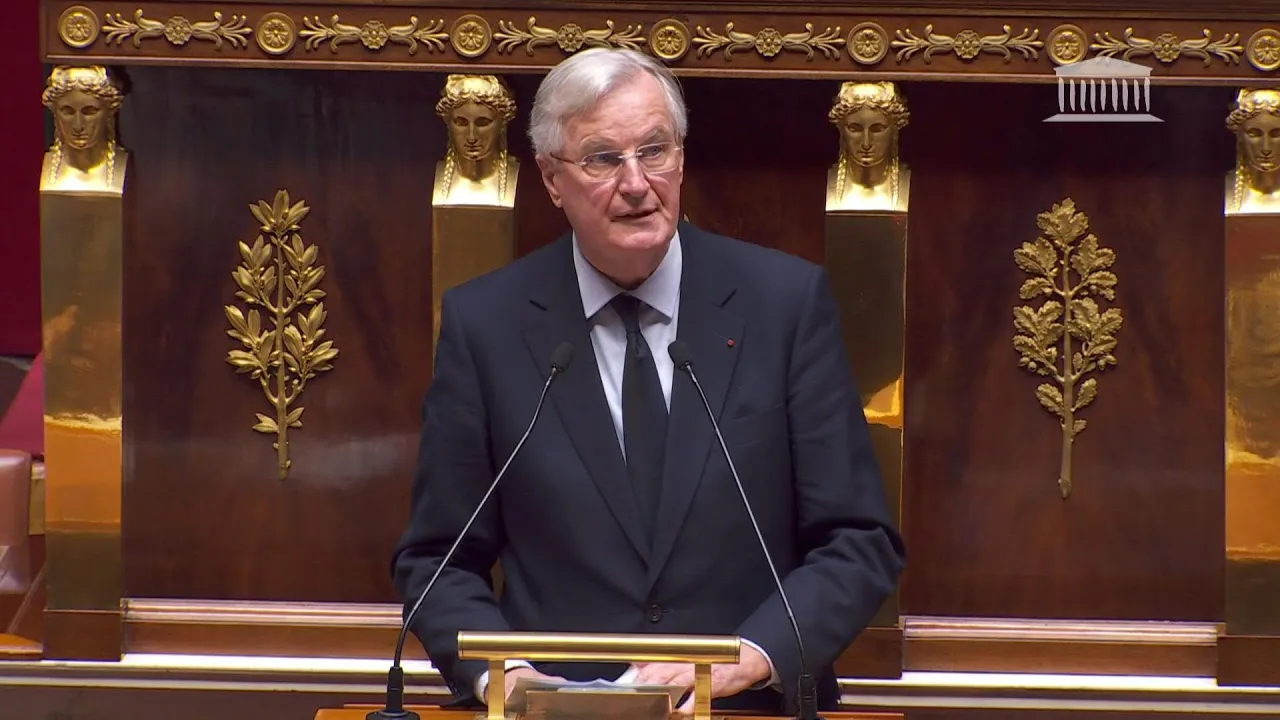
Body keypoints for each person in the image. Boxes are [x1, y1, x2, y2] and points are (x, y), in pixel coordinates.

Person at [392, 47, 905, 715]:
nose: (636, 183)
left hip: (743, 708)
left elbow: (858, 542)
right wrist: (506, 676)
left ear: (681, 159)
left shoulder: (783, 305)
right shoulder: (486, 324)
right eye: (603, 159)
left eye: (654, 151)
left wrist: (749, 657)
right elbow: (438, 559)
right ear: (551, 179)